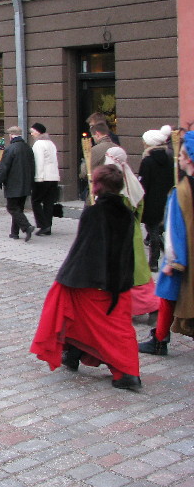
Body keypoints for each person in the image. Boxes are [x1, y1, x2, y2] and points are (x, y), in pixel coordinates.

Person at [31, 164, 141, 390]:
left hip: (93, 280)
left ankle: (127, 372)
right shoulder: (127, 213)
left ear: (98, 186)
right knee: (106, 325)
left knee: (77, 314)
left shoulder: (95, 212)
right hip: (117, 280)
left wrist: (66, 277)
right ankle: (74, 354)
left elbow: (83, 249)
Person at [138, 130, 194, 356]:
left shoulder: (180, 192)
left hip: (182, 254)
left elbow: (175, 230)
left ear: (188, 159)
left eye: (181, 155)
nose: (178, 158)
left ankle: (160, 339)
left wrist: (173, 259)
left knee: (168, 293)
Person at [104, 146, 159, 319]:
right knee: (135, 272)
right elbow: (139, 205)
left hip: (120, 234)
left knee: (134, 273)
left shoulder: (117, 184)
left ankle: (151, 307)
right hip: (130, 229)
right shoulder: (131, 180)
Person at [139, 125, 174, 272]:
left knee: (152, 229)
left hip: (151, 200)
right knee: (157, 229)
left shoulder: (147, 161)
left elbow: (143, 183)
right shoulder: (169, 158)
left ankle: (154, 261)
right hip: (165, 198)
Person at [0, 126, 36, 241]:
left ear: (11, 135)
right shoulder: (27, 148)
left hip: (13, 184)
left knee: (12, 208)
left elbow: (4, 168)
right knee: (19, 209)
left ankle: (27, 227)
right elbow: (33, 167)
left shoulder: (11, 149)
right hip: (25, 183)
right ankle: (14, 233)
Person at [29, 123, 60, 236]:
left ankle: (43, 225)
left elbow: (39, 162)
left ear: (38, 132)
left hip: (43, 177)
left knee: (35, 201)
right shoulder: (51, 143)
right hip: (53, 177)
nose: (31, 133)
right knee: (48, 203)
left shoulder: (38, 144)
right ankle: (48, 226)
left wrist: (37, 177)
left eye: (33, 131)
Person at [80, 121, 118, 197]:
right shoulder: (117, 147)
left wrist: (86, 156)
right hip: (115, 189)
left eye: (93, 136)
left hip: (100, 190)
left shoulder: (95, 150)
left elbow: (85, 172)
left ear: (97, 134)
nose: (93, 139)